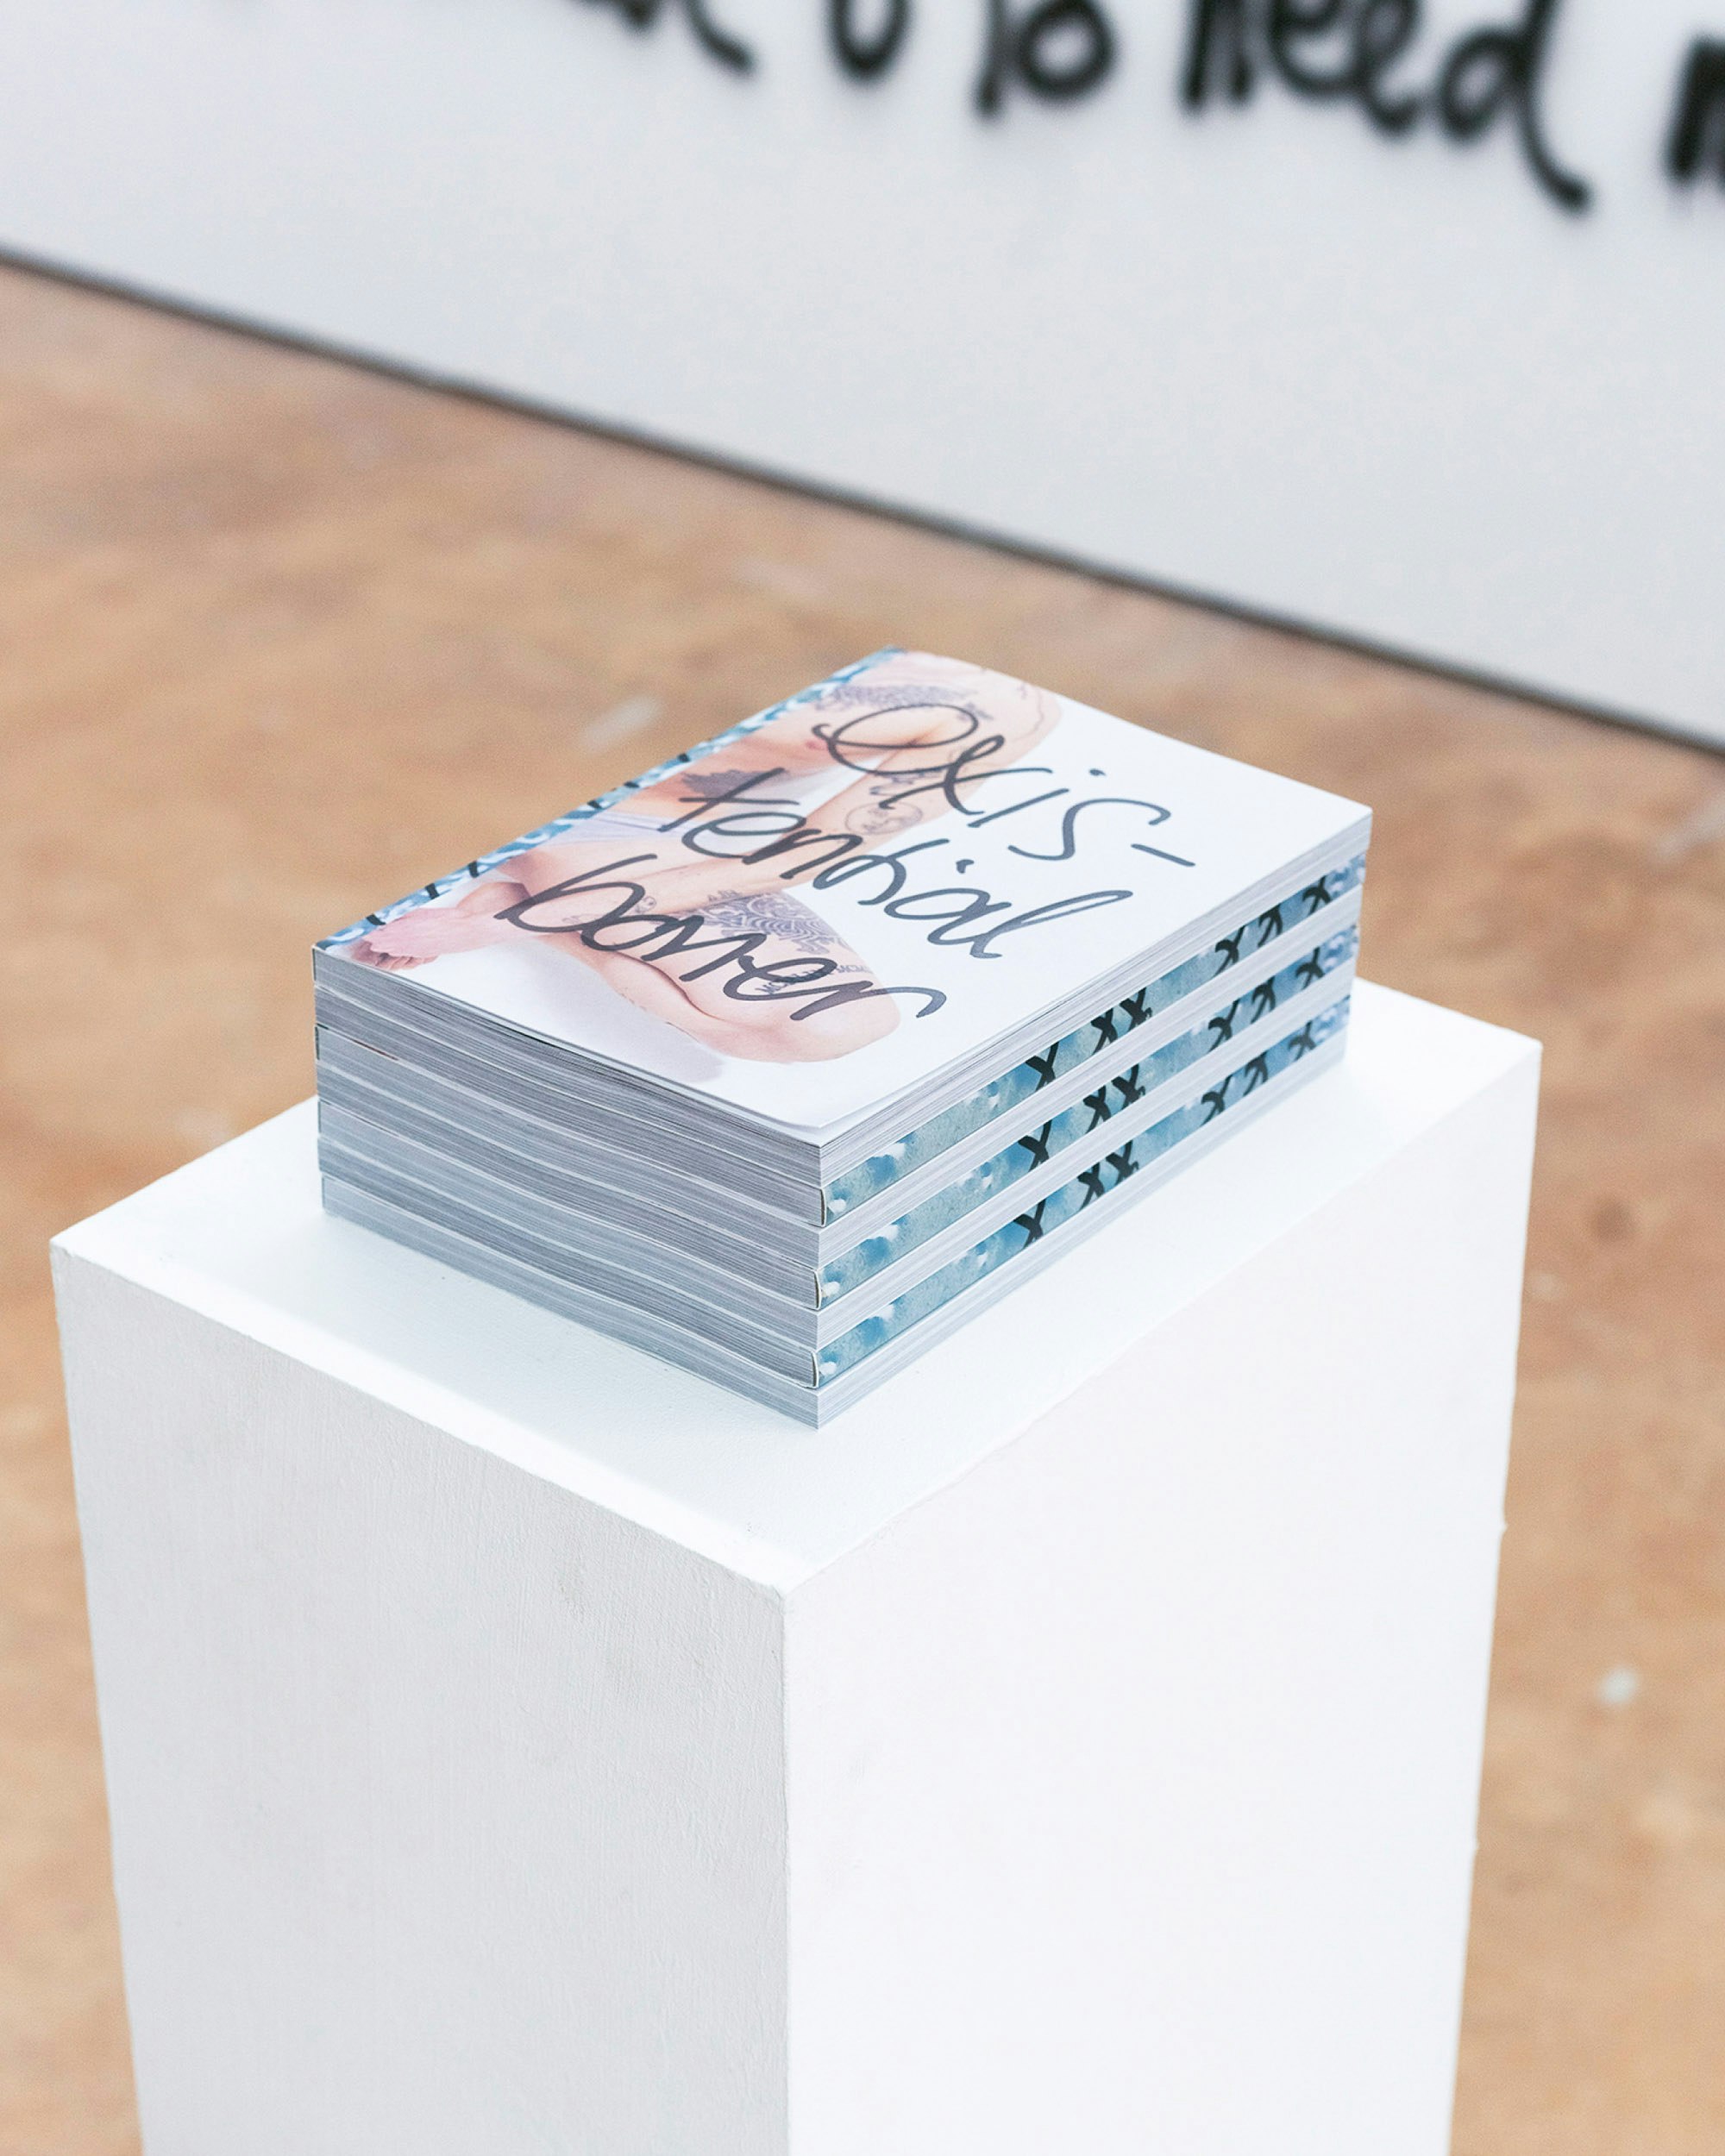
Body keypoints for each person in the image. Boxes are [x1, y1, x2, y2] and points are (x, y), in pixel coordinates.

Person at [348, 652, 1060, 1062]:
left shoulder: (1002, 708)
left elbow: (786, 862)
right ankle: (555, 908)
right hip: (499, 748)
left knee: (840, 1025)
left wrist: (498, 925)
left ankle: (554, 918)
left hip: (630, 832)